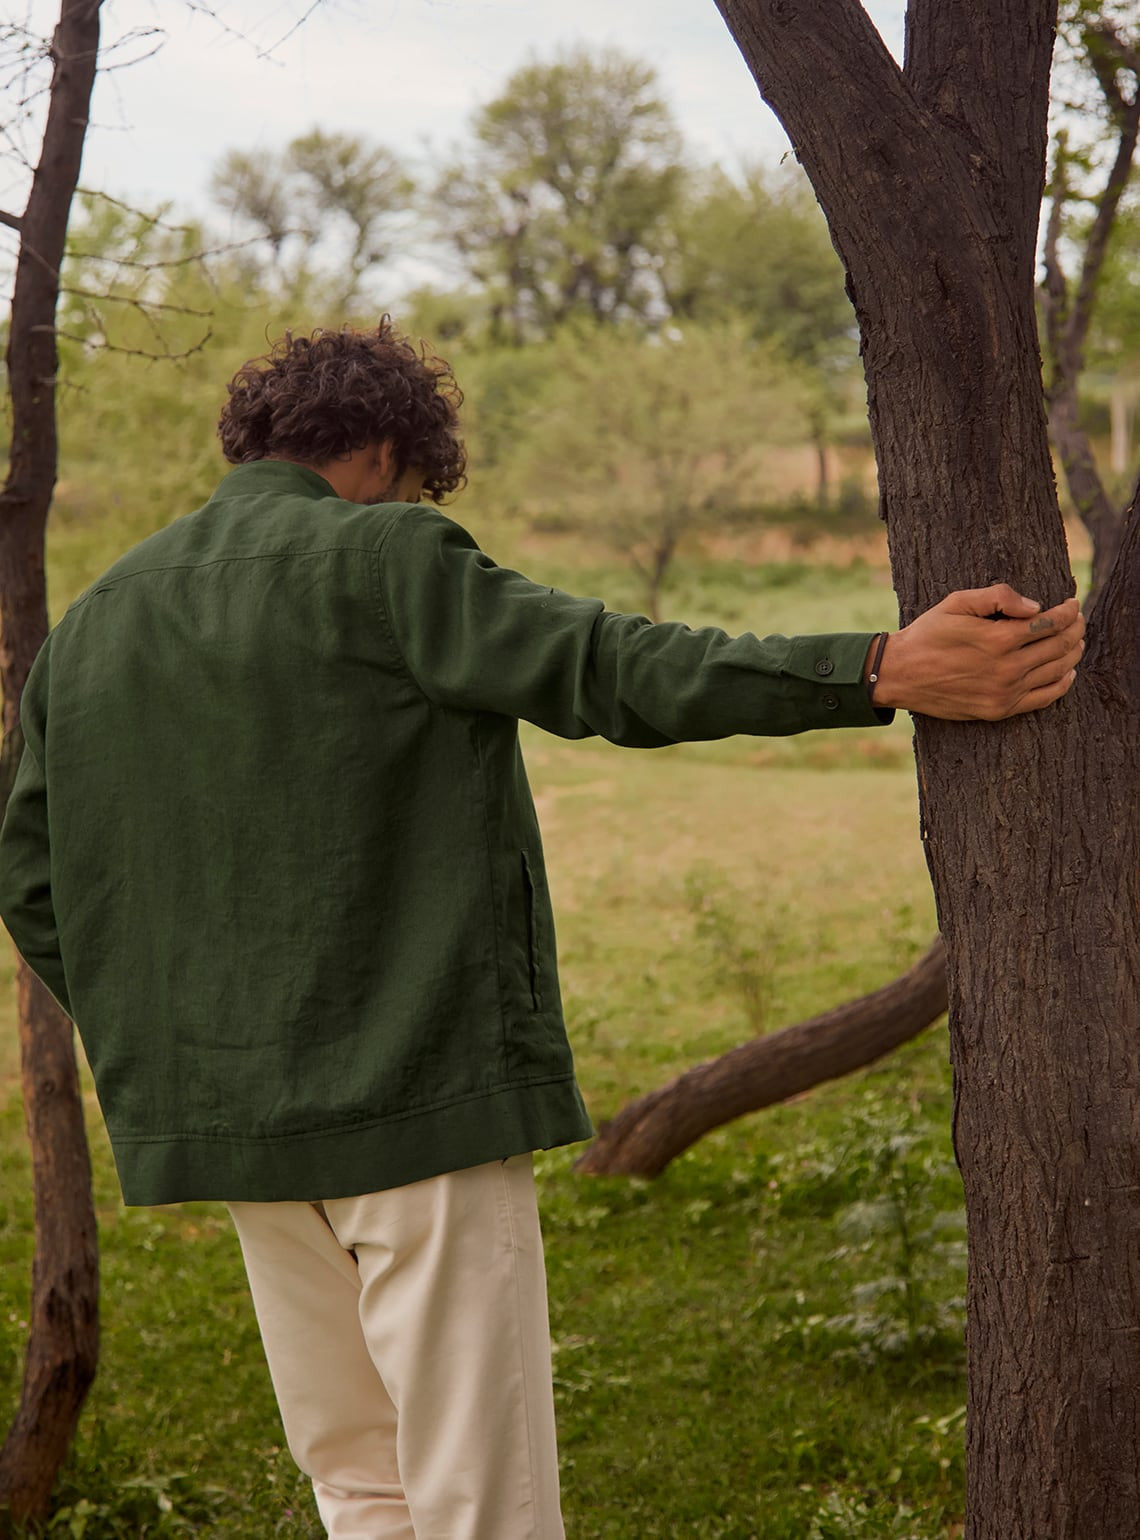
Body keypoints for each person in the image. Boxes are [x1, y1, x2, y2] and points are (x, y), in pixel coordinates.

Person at [0, 321, 1084, 1540]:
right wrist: (875, 666)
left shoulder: (92, 623)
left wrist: (182, 1038)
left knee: (360, 1489)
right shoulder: (386, 555)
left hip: (236, 1126)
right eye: (414, 483)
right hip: (424, 1092)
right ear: (383, 452)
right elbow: (609, 665)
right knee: (485, 1504)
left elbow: (31, 876)